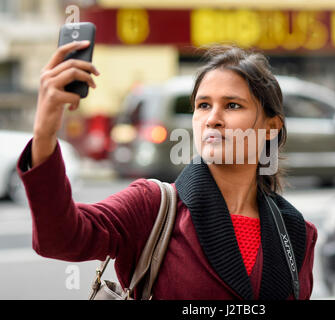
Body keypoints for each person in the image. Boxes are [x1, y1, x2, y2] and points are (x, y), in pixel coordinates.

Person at [17, 41, 318, 300]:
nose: (212, 118)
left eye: (232, 105)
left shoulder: (297, 232)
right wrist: (45, 132)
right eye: (202, 105)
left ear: (271, 127)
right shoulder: (151, 206)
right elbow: (60, 238)